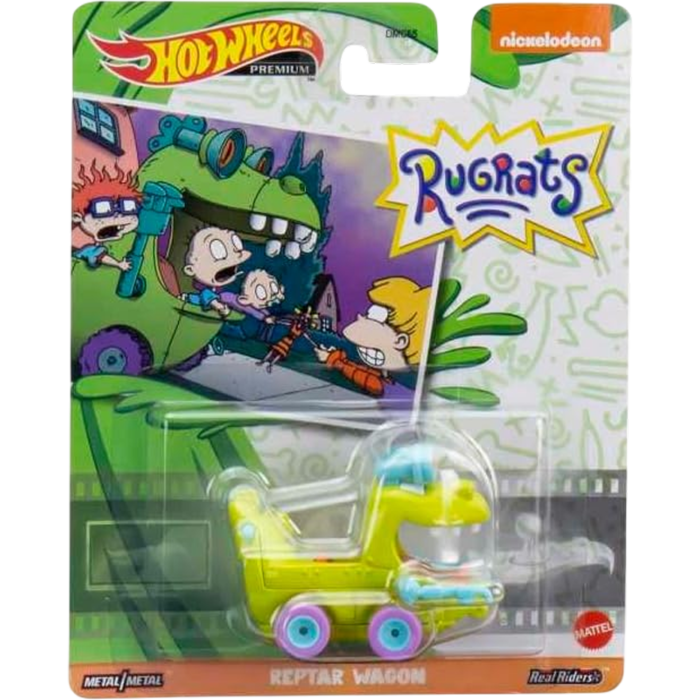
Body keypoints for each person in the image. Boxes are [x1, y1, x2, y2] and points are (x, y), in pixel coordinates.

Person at [314, 277, 431, 397]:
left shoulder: (407, 384)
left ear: (400, 341)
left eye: (375, 317)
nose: (360, 318)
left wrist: (335, 361)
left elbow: (371, 382)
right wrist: (335, 357)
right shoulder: (388, 373)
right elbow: (366, 371)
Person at [70, 161, 140, 271]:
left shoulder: (94, 247)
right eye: (103, 208)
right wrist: (119, 264)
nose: (117, 216)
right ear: (78, 217)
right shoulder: (88, 248)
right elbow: (101, 257)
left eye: (128, 206)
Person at [179, 226, 252, 318]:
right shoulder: (206, 291)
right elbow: (207, 296)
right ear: (190, 270)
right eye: (218, 251)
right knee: (206, 293)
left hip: (202, 301)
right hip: (199, 302)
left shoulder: (221, 291)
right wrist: (219, 307)